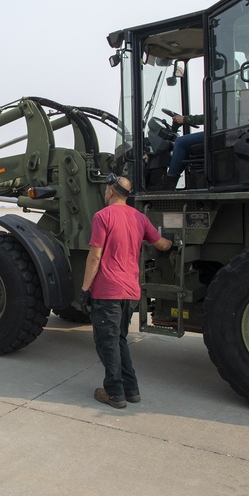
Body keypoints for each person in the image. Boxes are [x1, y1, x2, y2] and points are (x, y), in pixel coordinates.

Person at [80, 175, 172, 409]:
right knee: (119, 339)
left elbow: (95, 256)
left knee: (106, 343)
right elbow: (161, 244)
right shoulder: (139, 217)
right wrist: (172, 242)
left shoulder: (103, 216)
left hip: (107, 290)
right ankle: (131, 390)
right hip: (130, 291)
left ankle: (114, 393)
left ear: (110, 191)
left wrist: (85, 288)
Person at [152, 113, 206, 190]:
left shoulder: (217, 104)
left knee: (180, 142)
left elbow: (211, 115)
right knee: (186, 148)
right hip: (214, 132)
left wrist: (185, 119)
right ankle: (172, 181)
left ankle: (168, 180)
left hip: (215, 133)